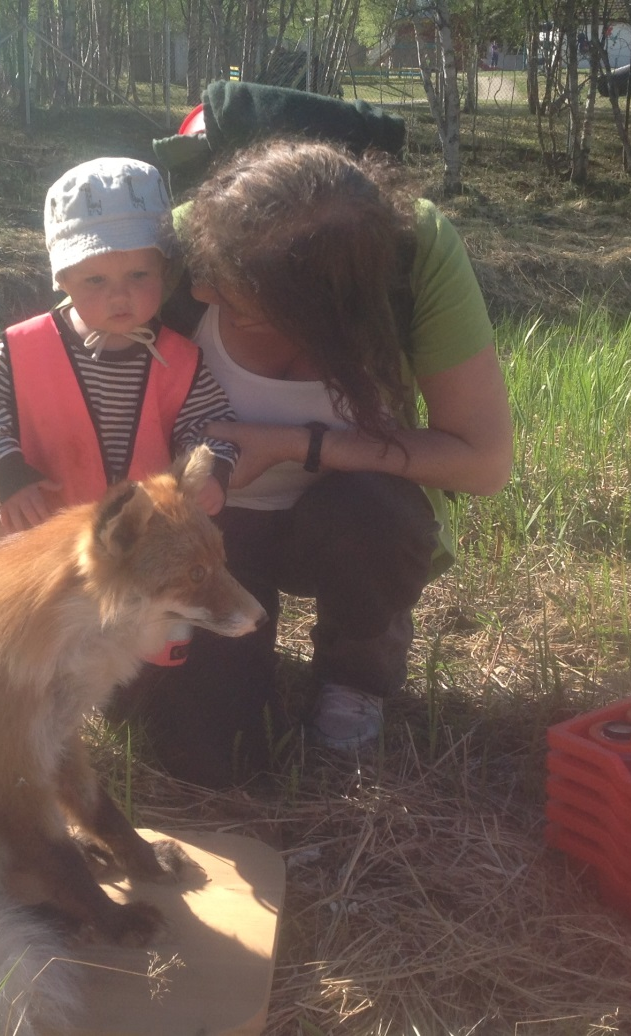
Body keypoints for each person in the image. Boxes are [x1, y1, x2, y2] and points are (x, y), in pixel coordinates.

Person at [110, 138, 513, 788]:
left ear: (319, 311)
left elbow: (483, 461)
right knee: (209, 759)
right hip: (215, 536)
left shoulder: (410, 252)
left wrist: (294, 444)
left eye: (236, 299)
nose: (201, 289)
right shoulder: (186, 244)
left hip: (349, 522)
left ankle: (356, 673)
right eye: (201, 275)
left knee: (373, 511)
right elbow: (49, 361)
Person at [0, 157, 238, 539]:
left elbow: (210, 426)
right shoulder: (22, 348)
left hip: (141, 545)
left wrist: (211, 473)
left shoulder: (181, 360)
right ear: (63, 279)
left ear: (165, 270)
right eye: (95, 280)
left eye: (139, 275)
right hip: (43, 537)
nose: (119, 295)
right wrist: (7, 476)